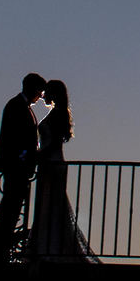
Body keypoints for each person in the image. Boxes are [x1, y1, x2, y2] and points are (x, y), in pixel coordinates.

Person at [28, 78, 96, 264]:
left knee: (51, 205)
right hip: (50, 163)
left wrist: (38, 156)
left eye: (47, 92)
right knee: (49, 206)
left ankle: (50, 249)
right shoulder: (58, 113)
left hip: (52, 164)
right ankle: (48, 246)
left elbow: (54, 143)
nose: (43, 95)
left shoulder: (58, 114)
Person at [0, 72, 45, 264]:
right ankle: (0, 252)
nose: (40, 97)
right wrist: (26, 158)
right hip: (15, 167)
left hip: (18, 167)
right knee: (9, 210)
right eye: (40, 92)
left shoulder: (20, 106)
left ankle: (2, 251)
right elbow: (15, 139)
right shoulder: (16, 106)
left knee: (11, 209)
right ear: (33, 89)